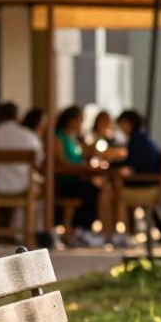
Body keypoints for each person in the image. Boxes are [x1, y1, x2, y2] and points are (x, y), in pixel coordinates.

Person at [52, 105, 113, 247]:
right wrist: (83, 167)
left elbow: (86, 153)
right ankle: (80, 230)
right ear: (71, 120)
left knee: (96, 188)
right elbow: (62, 162)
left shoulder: (75, 138)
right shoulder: (59, 138)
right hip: (65, 181)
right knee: (91, 190)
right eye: (80, 120)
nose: (81, 124)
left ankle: (83, 229)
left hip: (78, 178)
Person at [109, 109, 161, 248]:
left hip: (145, 182)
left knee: (110, 191)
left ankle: (118, 233)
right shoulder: (142, 136)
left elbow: (131, 163)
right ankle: (123, 232)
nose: (120, 128)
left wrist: (110, 164)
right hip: (150, 180)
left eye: (121, 124)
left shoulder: (137, 138)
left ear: (128, 123)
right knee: (113, 186)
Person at [0, 101, 44, 196]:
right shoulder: (29, 136)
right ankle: (24, 210)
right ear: (18, 116)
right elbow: (39, 160)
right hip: (24, 185)